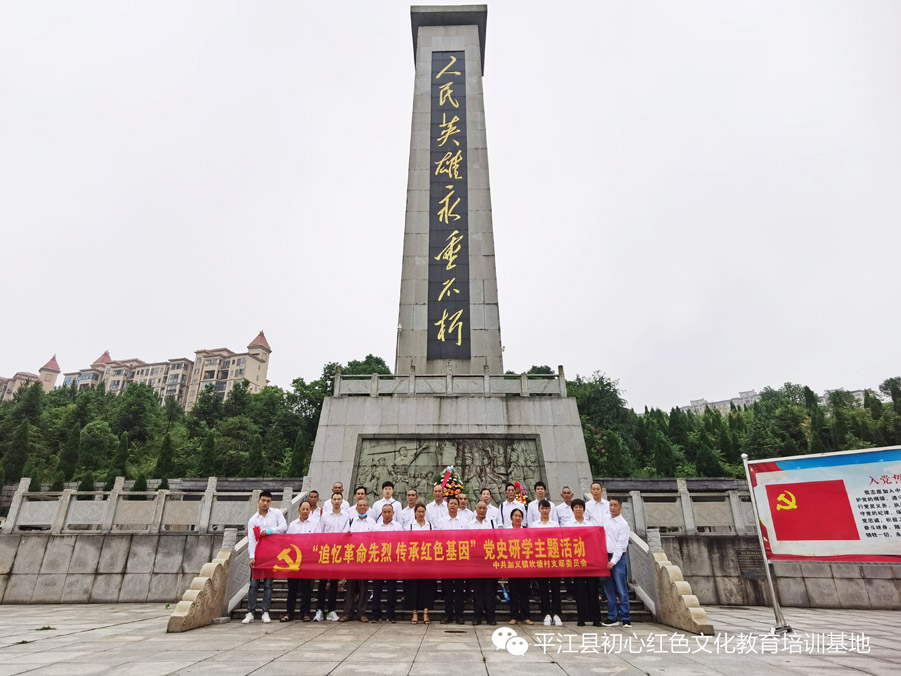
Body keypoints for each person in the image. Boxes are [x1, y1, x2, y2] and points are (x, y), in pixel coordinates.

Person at [242, 490, 287, 624]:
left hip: (271, 554)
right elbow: (251, 539)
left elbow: (284, 526)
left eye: (268, 501)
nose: (265, 503)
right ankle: (250, 612)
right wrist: (252, 556)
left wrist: (270, 531)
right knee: (254, 584)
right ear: (258, 501)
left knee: (268, 584)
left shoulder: (276, 513)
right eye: (263, 500)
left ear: (270, 502)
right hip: (258, 555)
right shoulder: (253, 520)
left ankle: (265, 611)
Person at [566, 498, 601, 627]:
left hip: (590, 562)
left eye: (580, 507)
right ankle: (581, 618)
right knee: (579, 591)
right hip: (577, 562)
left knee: (592, 590)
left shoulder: (590, 525)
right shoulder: (569, 525)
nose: (578, 509)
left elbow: (595, 542)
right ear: (573, 509)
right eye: (576, 507)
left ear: (584, 509)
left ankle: (596, 618)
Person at [340, 498, 376, 622]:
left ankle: (362, 613)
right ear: (356, 508)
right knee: (350, 586)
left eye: (364, 506)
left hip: (365, 558)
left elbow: (375, 539)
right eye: (359, 505)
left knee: (363, 587)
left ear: (367, 508)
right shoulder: (350, 522)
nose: (361, 507)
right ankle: (347, 612)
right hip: (352, 558)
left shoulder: (372, 522)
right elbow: (344, 537)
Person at [313, 491, 347, 621]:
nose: (337, 501)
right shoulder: (325, 516)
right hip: (325, 551)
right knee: (322, 582)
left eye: (339, 499)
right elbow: (320, 532)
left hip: (338, 551)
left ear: (342, 502)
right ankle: (319, 610)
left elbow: (346, 532)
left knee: (334, 582)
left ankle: (331, 610)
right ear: (331, 502)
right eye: (335, 499)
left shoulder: (346, 516)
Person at [530, 499, 563, 626]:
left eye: (546, 508)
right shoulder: (534, 525)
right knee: (543, 588)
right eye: (542, 508)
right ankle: (546, 614)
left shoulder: (555, 524)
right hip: (540, 559)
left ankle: (557, 614)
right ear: (539, 509)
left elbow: (559, 541)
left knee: (555, 588)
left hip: (554, 559)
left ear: (550, 510)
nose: (544, 511)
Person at [282, 499, 316, 622]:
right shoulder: (293, 525)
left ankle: (305, 613)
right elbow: (288, 542)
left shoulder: (315, 524)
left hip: (308, 560)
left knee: (306, 588)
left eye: (307, 509)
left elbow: (317, 540)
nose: (305, 511)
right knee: (292, 588)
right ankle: (289, 613)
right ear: (299, 510)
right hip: (294, 561)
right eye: (303, 509)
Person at [601, 498, 633, 628]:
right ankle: (612, 616)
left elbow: (621, 545)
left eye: (615, 505)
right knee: (609, 589)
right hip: (605, 556)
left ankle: (626, 617)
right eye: (611, 505)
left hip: (618, 559)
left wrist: (613, 561)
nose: (612, 508)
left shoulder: (623, 524)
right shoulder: (605, 520)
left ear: (620, 507)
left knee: (621, 589)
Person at [438, 496, 468, 624]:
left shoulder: (465, 521)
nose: (453, 506)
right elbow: (438, 539)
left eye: (455, 503)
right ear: (447, 505)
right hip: (446, 559)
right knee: (448, 589)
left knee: (460, 589)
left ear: (459, 505)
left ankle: (459, 614)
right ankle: (448, 614)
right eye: (451, 503)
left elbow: (467, 539)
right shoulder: (441, 522)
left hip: (460, 559)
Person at [371, 503, 402, 623]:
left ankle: (390, 614)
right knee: (377, 589)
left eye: (389, 512)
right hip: (379, 562)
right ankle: (376, 614)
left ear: (393, 513)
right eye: (385, 512)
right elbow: (372, 543)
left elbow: (401, 543)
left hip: (392, 562)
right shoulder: (376, 527)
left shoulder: (398, 527)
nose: (387, 514)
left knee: (392, 589)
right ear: (381, 513)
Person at [467, 500, 497, 625]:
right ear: (475, 509)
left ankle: (490, 616)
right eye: (479, 508)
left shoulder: (492, 523)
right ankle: (477, 615)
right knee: (478, 590)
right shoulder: (470, 524)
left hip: (489, 560)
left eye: (484, 508)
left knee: (490, 590)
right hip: (476, 560)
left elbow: (496, 539)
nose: (482, 510)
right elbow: (468, 541)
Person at [405, 502, 435, 625]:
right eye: (419, 512)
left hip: (427, 561)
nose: (421, 514)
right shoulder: (409, 526)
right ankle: (415, 613)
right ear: (415, 513)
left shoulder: (431, 526)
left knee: (427, 587)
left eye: (423, 512)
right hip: (413, 560)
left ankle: (426, 612)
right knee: (413, 587)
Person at [505, 508, 533, 625]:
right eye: (515, 516)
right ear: (511, 518)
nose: (517, 518)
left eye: (520, 516)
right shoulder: (506, 531)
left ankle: (525, 616)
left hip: (524, 565)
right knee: (514, 591)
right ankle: (514, 616)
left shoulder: (526, 531)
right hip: (512, 566)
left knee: (524, 592)